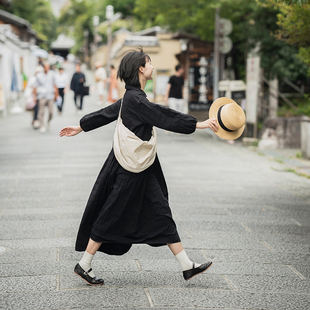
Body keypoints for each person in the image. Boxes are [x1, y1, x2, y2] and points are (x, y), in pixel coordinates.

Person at [59, 49, 218, 286]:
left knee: (161, 210)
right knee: (111, 213)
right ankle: (84, 264)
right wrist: (197, 124)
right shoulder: (136, 100)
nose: (153, 66)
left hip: (142, 166)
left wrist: (81, 126)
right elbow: (162, 115)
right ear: (140, 69)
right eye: (149, 63)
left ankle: (186, 266)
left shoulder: (132, 98)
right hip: (129, 168)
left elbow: (107, 113)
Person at [34, 62, 58, 133]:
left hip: (50, 95)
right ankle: (42, 125)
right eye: (46, 67)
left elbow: (55, 84)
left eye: (48, 67)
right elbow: (35, 86)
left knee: (51, 112)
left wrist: (56, 94)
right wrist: (35, 97)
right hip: (42, 96)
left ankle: (48, 121)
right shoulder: (39, 75)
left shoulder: (52, 74)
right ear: (43, 67)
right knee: (41, 112)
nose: (47, 68)